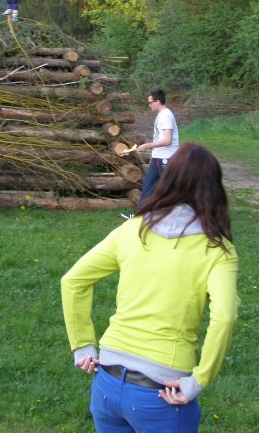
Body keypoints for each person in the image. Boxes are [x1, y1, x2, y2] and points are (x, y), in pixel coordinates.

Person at [61, 143, 239, 433]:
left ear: (166, 180)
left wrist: (82, 346)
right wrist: (199, 380)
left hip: (106, 384)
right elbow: (225, 317)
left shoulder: (131, 229)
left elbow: (73, 280)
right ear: (214, 189)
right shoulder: (218, 250)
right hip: (162, 394)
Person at [136, 88, 179, 207]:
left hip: (166, 158)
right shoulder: (161, 115)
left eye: (150, 102)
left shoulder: (166, 115)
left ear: (158, 101)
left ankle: (181, 213)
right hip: (157, 157)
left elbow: (167, 140)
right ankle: (141, 213)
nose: (149, 105)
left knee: (170, 189)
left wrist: (148, 145)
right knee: (148, 185)